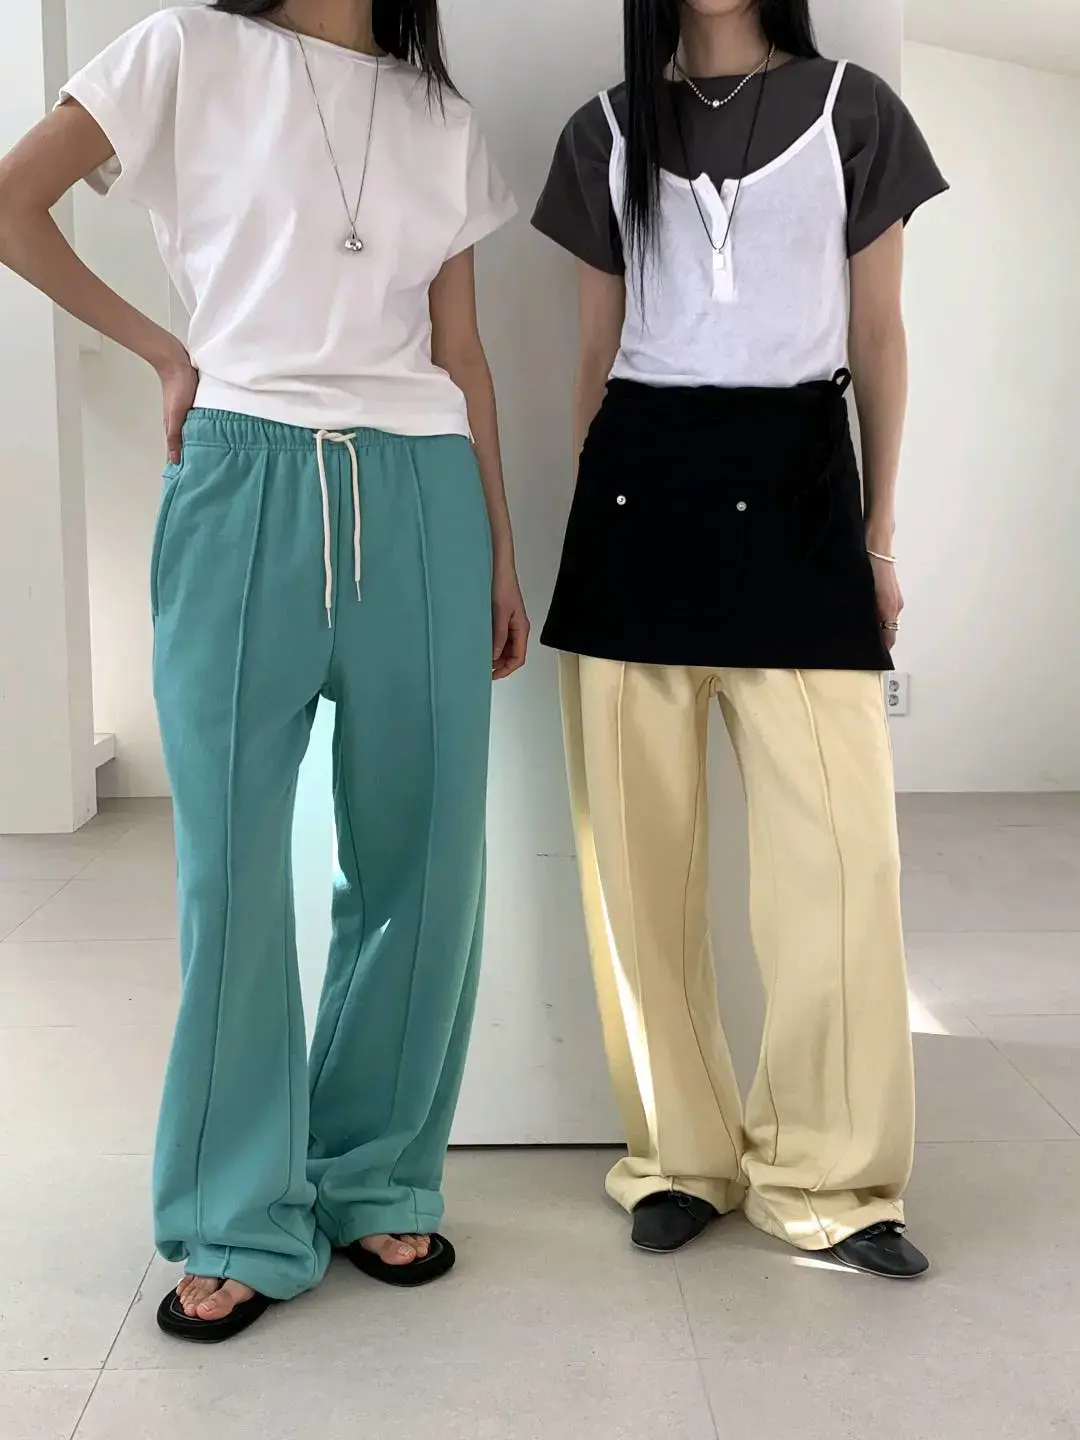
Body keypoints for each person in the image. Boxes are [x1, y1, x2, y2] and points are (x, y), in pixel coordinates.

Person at [0, 0, 528, 1341]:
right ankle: (236, 1211)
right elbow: (12, 202)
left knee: (425, 867)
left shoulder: (438, 113)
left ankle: (377, 1174)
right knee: (231, 874)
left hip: (422, 492)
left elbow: (461, 354)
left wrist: (500, 552)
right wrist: (165, 349)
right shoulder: (183, 49)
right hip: (243, 479)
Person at [532, 0, 946, 1278]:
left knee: (840, 867)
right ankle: (679, 1156)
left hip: (801, 492)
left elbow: (877, 336)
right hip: (636, 497)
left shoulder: (854, 110)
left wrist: (879, 538)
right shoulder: (605, 130)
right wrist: (586, 521)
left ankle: (833, 1177)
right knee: (638, 866)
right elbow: (595, 352)